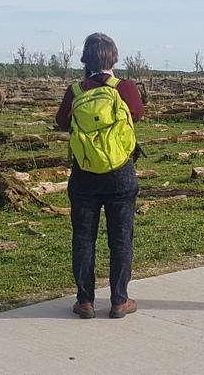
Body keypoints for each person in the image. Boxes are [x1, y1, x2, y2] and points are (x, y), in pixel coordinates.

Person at [55, 32, 144, 319]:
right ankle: (119, 300)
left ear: (85, 58)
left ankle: (85, 302)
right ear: (114, 57)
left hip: (84, 174)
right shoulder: (125, 87)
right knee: (121, 238)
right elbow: (138, 115)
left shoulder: (76, 90)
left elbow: (60, 122)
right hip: (121, 172)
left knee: (83, 237)